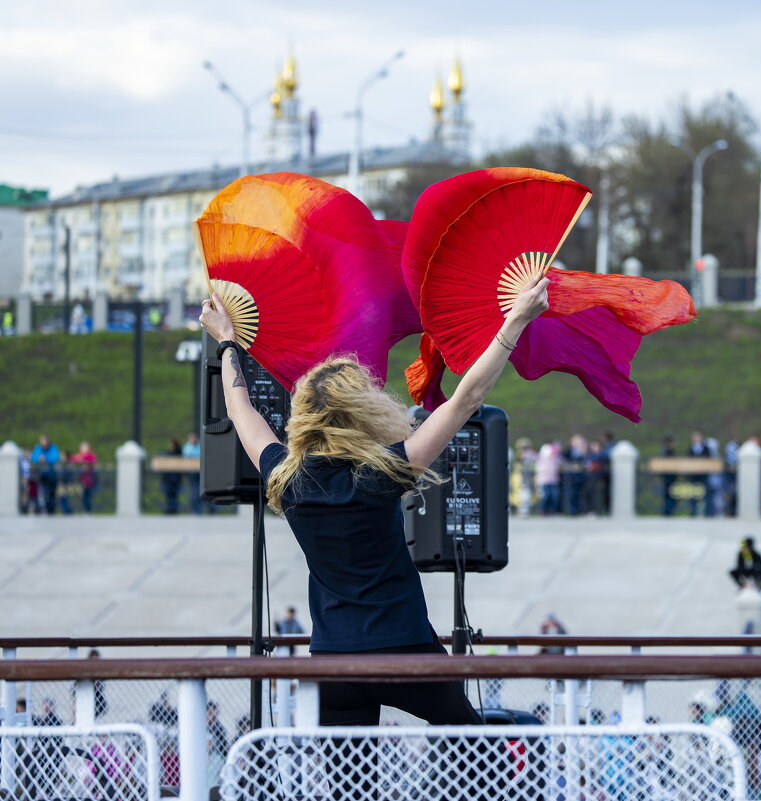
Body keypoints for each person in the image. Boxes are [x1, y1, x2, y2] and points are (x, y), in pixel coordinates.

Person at [199, 273, 549, 727]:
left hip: (333, 658)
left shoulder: (287, 478)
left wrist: (228, 342)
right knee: (471, 750)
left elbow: (239, 408)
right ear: (364, 412)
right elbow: (466, 400)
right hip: (405, 648)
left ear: (302, 416)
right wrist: (515, 320)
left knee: (350, 785)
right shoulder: (382, 472)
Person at [31, 435, 60, 515]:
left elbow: (56, 457)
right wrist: (39, 459)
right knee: (41, 492)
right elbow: (34, 458)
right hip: (41, 475)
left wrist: (46, 458)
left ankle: (51, 509)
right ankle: (42, 509)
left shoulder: (53, 448)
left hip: (51, 475)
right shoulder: (38, 448)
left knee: (51, 492)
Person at [70, 442, 98, 515]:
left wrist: (83, 461)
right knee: (81, 496)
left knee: (88, 495)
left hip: (89, 480)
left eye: (85, 447)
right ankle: (82, 510)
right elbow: (72, 460)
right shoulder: (78, 455)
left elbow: (93, 460)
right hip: (80, 479)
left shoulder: (91, 455)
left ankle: (88, 510)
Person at [181, 432, 203, 514]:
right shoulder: (187, 447)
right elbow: (186, 457)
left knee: (198, 491)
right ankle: (196, 510)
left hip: (199, 471)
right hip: (191, 472)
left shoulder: (199, 446)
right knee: (194, 491)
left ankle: (199, 509)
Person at [161, 438, 184, 514]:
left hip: (175, 477)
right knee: (168, 494)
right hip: (168, 477)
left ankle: (174, 508)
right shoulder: (168, 453)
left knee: (175, 494)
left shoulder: (179, 453)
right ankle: (169, 508)